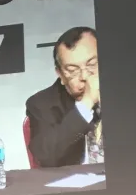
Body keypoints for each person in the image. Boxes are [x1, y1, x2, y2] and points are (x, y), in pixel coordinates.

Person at [26, 27, 103, 168]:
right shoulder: (42, 104)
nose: (84, 77)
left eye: (92, 65)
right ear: (60, 74)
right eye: (73, 70)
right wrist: (86, 104)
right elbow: (46, 159)